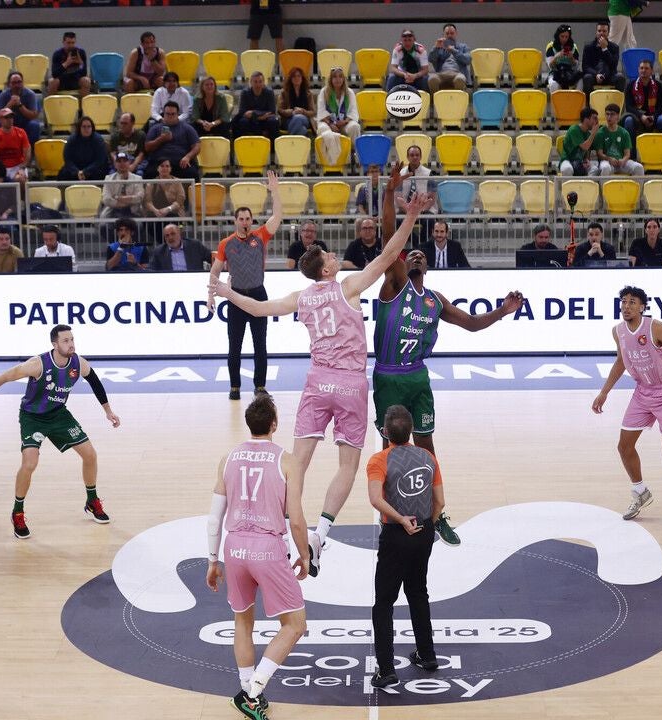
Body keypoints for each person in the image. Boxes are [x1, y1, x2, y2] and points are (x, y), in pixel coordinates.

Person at [210, 184, 432, 577]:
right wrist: (411, 215)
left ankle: (278, 532)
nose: (335, 256)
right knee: (347, 466)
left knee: (297, 465)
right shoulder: (348, 287)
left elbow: (259, 308)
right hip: (349, 384)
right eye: (331, 256)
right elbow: (388, 255)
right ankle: (320, 534)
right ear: (327, 270)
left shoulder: (302, 296)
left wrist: (226, 290)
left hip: (317, 382)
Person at [374, 177, 521, 545]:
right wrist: (390, 192)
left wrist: (502, 311)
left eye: (422, 256)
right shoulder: (393, 283)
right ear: (404, 260)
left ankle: (437, 515)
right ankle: (387, 517)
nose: (417, 256)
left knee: (427, 447)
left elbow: (471, 324)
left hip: (418, 377)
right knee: (388, 449)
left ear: (429, 266)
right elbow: (389, 231)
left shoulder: (435, 299)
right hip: (388, 376)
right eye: (413, 254)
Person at [0, 325, 121, 539]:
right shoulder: (38, 364)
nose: (71, 343)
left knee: (90, 455)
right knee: (30, 463)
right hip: (32, 418)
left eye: (72, 339)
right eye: (65, 340)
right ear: (55, 344)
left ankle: (92, 501)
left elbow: (95, 382)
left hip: (58, 415)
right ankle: (17, 512)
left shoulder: (78, 363)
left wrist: (108, 411)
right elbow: (5, 377)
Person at [206, 396, 306, 718]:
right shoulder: (288, 460)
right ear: (274, 424)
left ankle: (247, 688)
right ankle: (253, 691)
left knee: (242, 621)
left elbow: (213, 519)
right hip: (267, 548)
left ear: (249, 423)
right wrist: (304, 554)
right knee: (294, 625)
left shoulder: (228, 457)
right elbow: (297, 518)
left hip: (233, 548)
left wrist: (212, 560)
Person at [593, 286, 662, 528]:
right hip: (642, 392)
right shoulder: (617, 331)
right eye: (623, 302)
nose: (626, 306)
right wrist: (604, 391)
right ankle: (640, 491)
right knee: (624, 446)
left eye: (632, 302)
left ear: (642, 307)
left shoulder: (656, 328)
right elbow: (621, 361)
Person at [367, 404, 445, 689]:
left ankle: (386, 669)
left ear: (385, 432)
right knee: (418, 592)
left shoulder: (379, 460)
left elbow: (376, 499)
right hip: (423, 534)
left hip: (395, 535)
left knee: (384, 602)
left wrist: (401, 519)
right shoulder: (428, 457)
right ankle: (427, 654)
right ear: (411, 431)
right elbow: (440, 502)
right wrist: (425, 526)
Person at [209, 171, 283, 400]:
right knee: (235, 346)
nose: (245, 222)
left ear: (252, 220)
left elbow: (278, 216)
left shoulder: (260, 236)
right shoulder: (226, 244)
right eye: (241, 219)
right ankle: (235, 387)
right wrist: (210, 295)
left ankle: (260, 386)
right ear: (235, 221)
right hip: (236, 297)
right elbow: (215, 270)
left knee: (260, 345)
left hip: (259, 295)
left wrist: (275, 191)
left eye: (248, 218)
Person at [143, 101, 201, 180]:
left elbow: (197, 146)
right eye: (167, 114)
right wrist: (161, 139)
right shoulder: (155, 128)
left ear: (178, 115)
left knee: (193, 173)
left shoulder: (187, 128)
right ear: (163, 114)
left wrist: (188, 157)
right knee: (148, 173)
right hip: (159, 163)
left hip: (181, 162)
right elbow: (147, 148)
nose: (170, 116)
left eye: (173, 114)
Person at [316, 67, 361, 165]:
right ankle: (331, 158)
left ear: (343, 79)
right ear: (330, 79)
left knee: (355, 126)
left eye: (340, 77)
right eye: (335, 77)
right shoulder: (324, 92)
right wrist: (331, 124)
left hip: (344, 123)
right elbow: (321, 111)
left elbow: (353, 111)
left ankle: (354, 154)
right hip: (328, 122)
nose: (338, 79)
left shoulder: (349, 92)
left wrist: (344, 122)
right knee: (322, 129)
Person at [622, 59, 662, 142]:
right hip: (637, 117)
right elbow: (629, 107)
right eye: (641, 68)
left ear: (651, 71)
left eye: (646, 68)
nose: (643, 70)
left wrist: (653, 117)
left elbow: (661, 106)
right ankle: (631, 154)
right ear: (638, 70)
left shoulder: (658, 85)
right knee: (628, 121)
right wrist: (641, 116)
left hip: (654, 117)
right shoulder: (631, 85)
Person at [593, 103, 644, 176]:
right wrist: (609, 159)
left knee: (639, 167)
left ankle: (638, 187)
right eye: (607, 114)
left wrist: (623, 160)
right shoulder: (600, 132)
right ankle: (603, 187)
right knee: (605, 168)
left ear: (618, 116)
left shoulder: (624, 133)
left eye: (612, 114)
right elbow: (599, 154)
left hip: (621, 161)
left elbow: (627, 154)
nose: (609, 117)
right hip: (607, 162)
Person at [0, 108, 31, 182]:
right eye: (6, 117)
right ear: (0, 120)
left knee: (21, 179)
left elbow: (27, 151)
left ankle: (23, 194)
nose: (9, 119)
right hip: (1, 167)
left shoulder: (21, 132)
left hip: (17, 166)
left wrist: (22, 167)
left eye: (11, 117)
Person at [59, 116, 109, 181]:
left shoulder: (98, 140)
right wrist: (77, 172)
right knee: (63, 173)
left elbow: (100, 160)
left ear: (92, 128)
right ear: (79, 128)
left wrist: (85, 172)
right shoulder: (72, 139)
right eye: (84, 127)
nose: (86, 129)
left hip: (93, 168)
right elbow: (67, 159)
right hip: (77, 169)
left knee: (100, 173)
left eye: (89, 126)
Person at [0, 72, 42, 145]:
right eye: (14, 83)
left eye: (19, 82)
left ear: (23, 83)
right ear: (9, 84)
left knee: (35, 125)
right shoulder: (3, 95)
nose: (17, 85)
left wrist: (20, 105)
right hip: (10, 122)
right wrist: (10, 104)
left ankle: (30, 151)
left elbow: (33, 116)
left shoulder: (30, 94)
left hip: (26, 122)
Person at [581, 20, 624, 95]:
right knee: (587, 77)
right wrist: (596, 74)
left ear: (608, 33)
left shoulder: (614, 47)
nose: (601, 33)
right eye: (599, 31)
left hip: (609, 75)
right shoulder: (588, 47)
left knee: (620, 77)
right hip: (594, 75)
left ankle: (616, 104)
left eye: (604, 31)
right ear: (596, 32)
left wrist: (605, 49)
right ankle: (589, 105)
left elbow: (614, 65)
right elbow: (585, 66)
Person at [234, 71, 280, 140]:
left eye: (260, 81)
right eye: (255, 82)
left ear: (264, 82)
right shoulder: (245, 92)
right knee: (242, 122)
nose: (258, 84)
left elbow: (272, 111)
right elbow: (242, 112)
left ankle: (273, 148)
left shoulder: (269, 92)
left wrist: (253, 113)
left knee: (274, 121)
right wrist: (260, 117)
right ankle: (243, 146)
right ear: (251, 82)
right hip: (251, 120)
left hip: (265, 120)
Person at [427, 23, 471, 93]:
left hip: (458, 74)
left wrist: (453, 50)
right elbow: (431, 59)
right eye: (447, 34)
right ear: (443, 35)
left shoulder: (463, 47)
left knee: (460, 79)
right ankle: (435, 102)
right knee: (432, 79)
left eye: (452, 33)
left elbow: (468, 60)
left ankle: (457, 102)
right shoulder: (439, 47)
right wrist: (435, 47)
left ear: (456, 33)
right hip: (441, 74)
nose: (449, 35)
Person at [101, 151, 144, 219]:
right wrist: (126, 202)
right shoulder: (108, 178)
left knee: (139, 226)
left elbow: (139, 198)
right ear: (115, 164)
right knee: (103, 226)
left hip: (132, 211)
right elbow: (106, 199)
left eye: (124, 161)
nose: (122, 163)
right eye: (119, 161)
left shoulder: (138, 178)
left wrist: (117, 197)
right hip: (112, 211)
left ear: (129, 163)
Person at [48, 31, 92, 97]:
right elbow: (54, 74)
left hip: (76, 80)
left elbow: (84, 73)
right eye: (68, 43)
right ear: (63, 42)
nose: (71, 45)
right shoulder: (57, 54)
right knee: (52, 82)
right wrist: (67, 63)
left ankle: (83, 105)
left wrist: (80, 63)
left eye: (73, 43)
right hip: (62, 81)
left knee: (86, 81)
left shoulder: (81, 52)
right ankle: (52, 105)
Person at [560, 107, 599, 176]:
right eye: (594, 118)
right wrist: (593, 133)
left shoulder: (588, 134)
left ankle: (586, 186)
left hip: (580, 162)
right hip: (568, 160)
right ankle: (568, 187)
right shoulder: (574, 130)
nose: (597, 121)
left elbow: (587, 151)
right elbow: (585, 147)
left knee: (595, 169)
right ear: (586, 119)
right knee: (567, 169)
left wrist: (586, 161)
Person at [278, 66, 315, 137]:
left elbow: (313, 112)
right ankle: (295, 143)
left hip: (304, 119)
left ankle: (288, 139)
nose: (296, 78)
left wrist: (302, 111)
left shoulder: (308, 93)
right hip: (288, 120)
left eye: (299, 76)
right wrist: (292, 112)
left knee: (298, 118)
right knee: (302, 130)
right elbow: (280, 110)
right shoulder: (284, 92)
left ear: (302, 78)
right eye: (294, 76)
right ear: (290, 79)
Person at [546, 24, 581, 93]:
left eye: (566, 37)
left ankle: (577, 102)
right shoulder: (551, 46)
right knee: (554, 84)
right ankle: (557, 103)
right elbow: (550, 65)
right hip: (555, 73)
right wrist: (556, 56)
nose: (564, 39)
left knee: (581, 81)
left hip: (570, 73)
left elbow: (576, 66)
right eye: (562, 36)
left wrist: (572, 58)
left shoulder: (574, 47)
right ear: (558, 35)